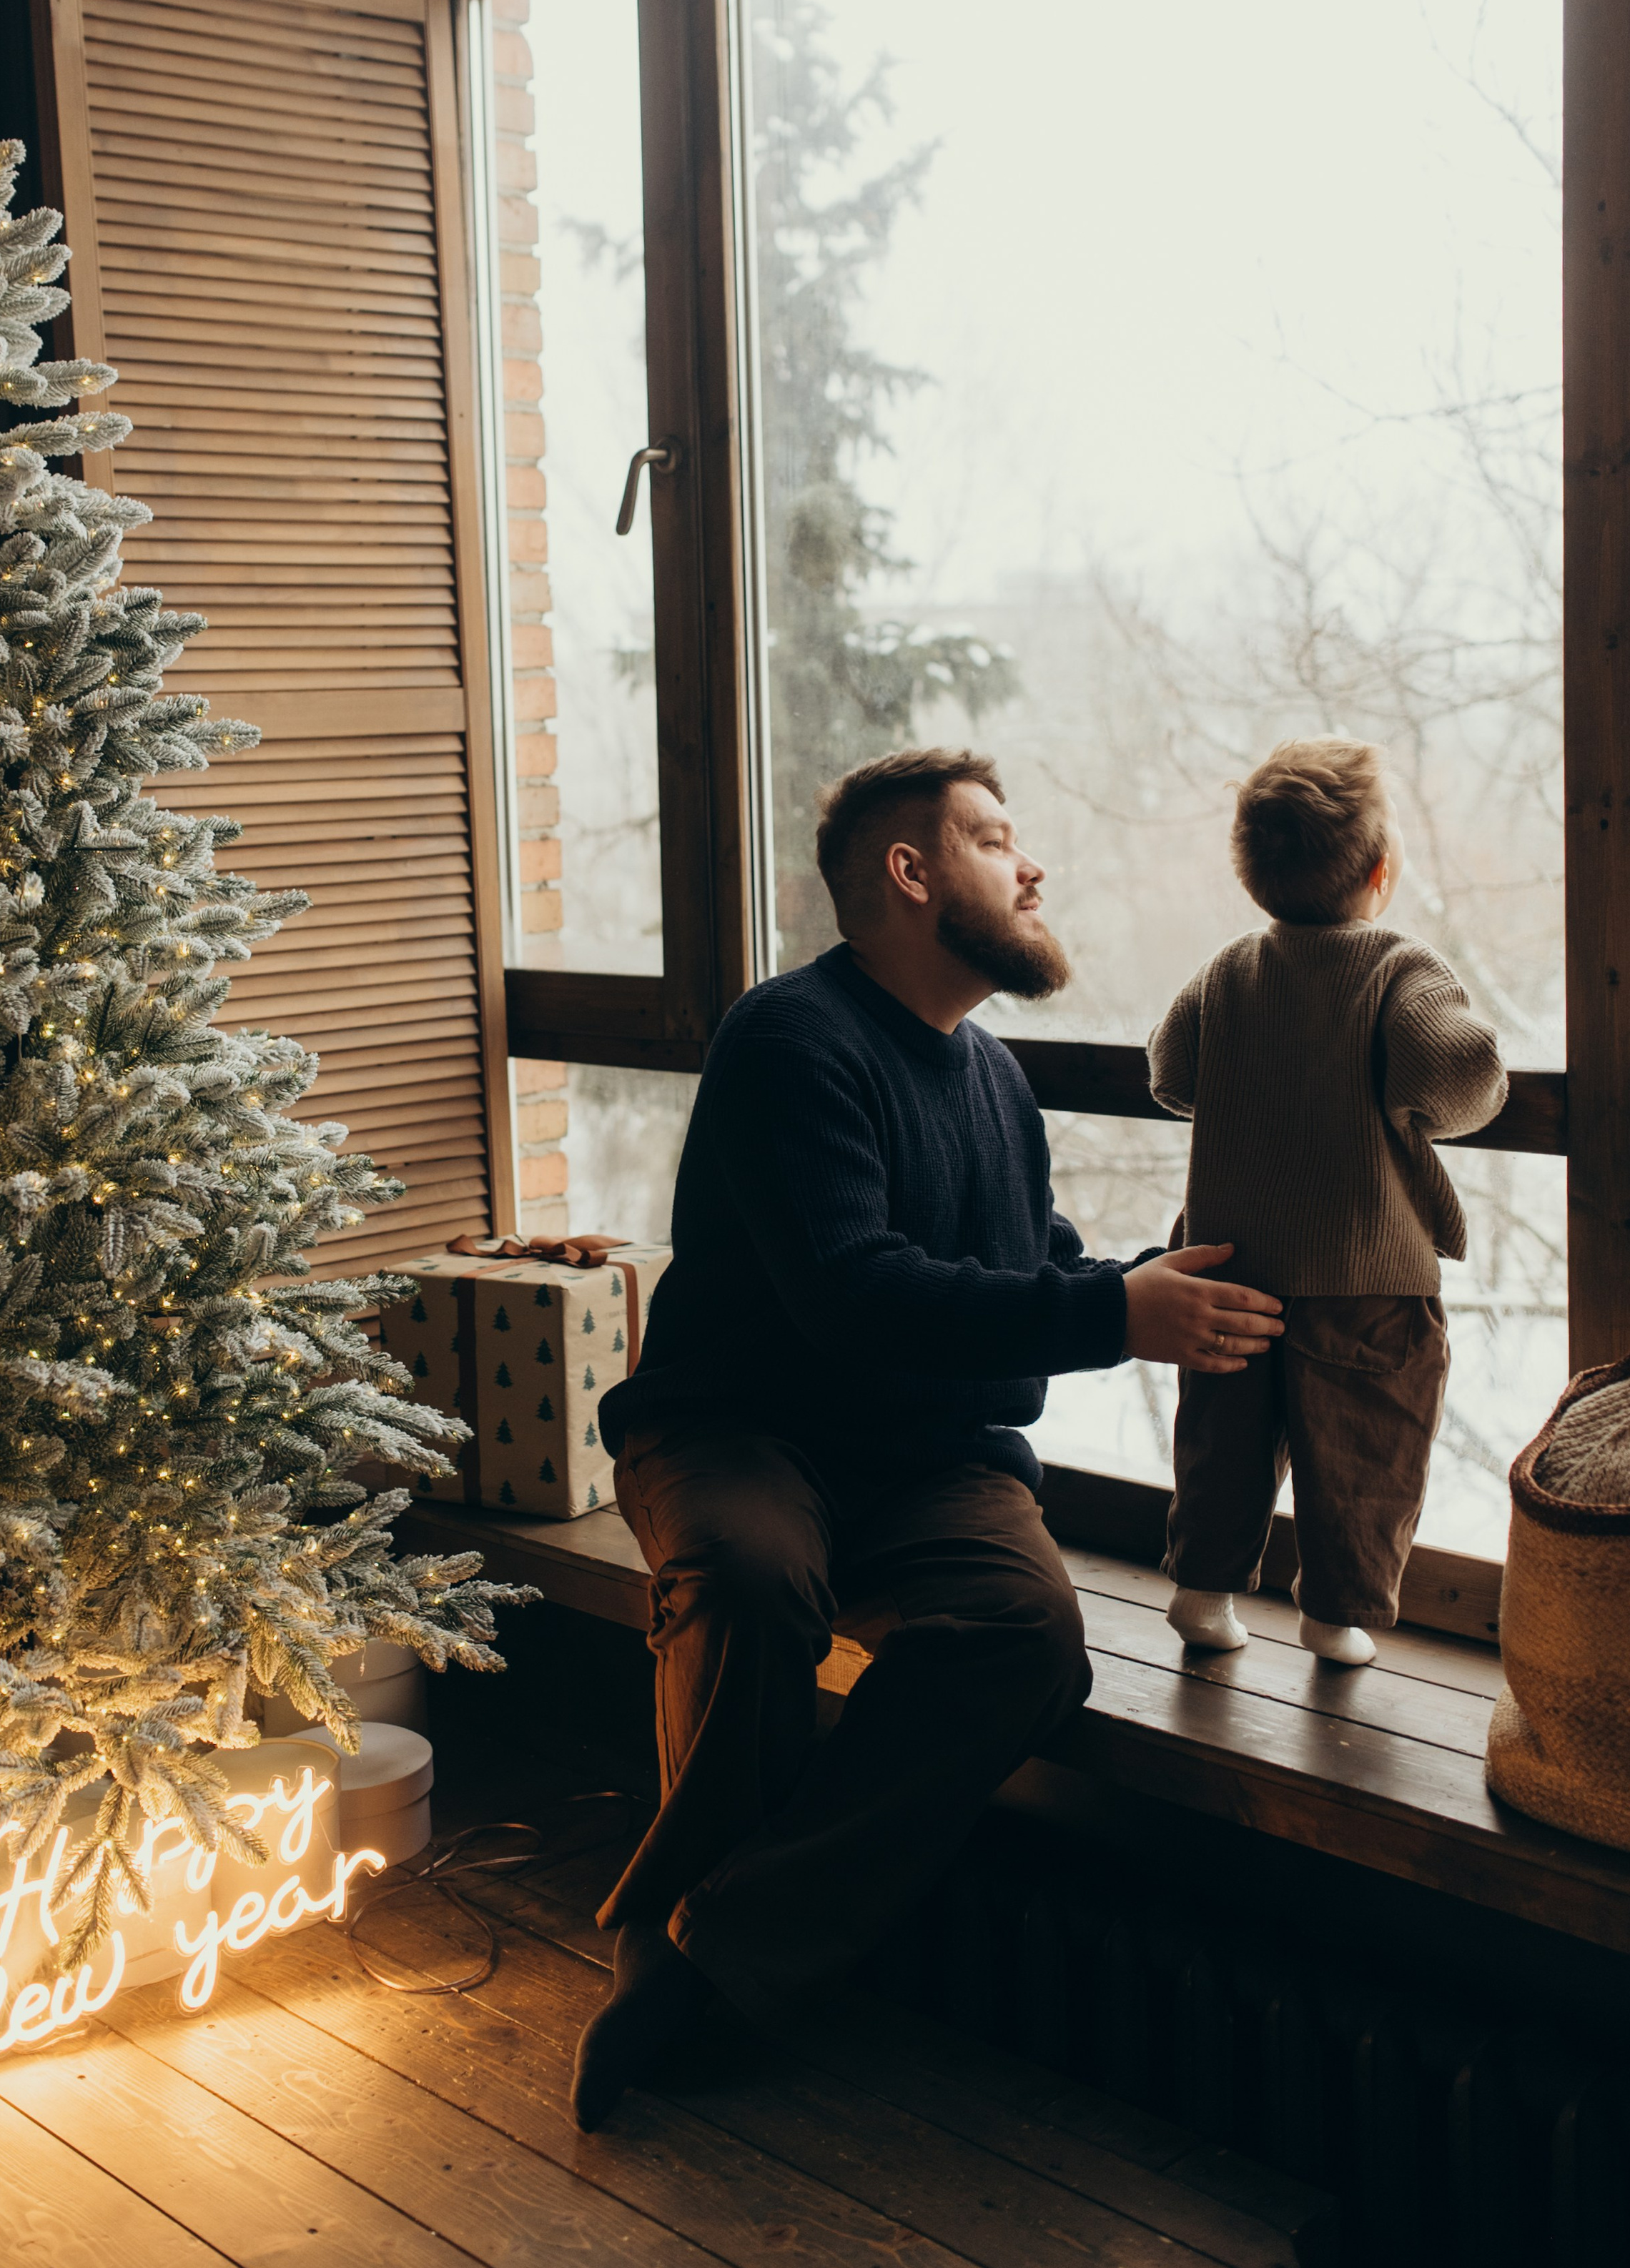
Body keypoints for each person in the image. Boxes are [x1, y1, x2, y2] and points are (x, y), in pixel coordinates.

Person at [572, 746, 1285, 2129]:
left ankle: (705, 1945)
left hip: (928, 1458)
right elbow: (858, 1295)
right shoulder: (789, 1040)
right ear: (912, 872)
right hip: (737, 1431)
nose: (1034, 868)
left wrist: (1162, 1289)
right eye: (999, 840)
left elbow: (1024, 1266)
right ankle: (678, 1969)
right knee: (754, 1582)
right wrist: (1110, 1313)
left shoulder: (995, 1083)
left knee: (1025, 1641)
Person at [1149, 736, 1506, 1669]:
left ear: (1253, 877)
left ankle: (1202, 1590)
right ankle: (1335, 1616)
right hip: (1366, 1271)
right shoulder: (1397, 965)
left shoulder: (1229, 971)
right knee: (1365, 1447)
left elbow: (1172, 1071)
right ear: (1380, 871)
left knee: (1222, 1436)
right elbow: (1454, 1075)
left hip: (1227, 1263)